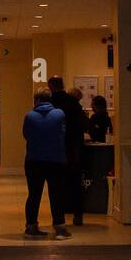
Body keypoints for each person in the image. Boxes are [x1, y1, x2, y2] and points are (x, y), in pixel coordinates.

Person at [22, 88, 71, 240]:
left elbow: (26, 135)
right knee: (57, 194)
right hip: (56, 160)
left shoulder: (29, 116)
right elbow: (64, 133)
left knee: (34, 195)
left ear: (36, 100)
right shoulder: (60, 114)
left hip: (34, 160)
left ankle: (31, 226)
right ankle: (60, 228)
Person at [48, 76, 88, 226]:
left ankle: (58, 218)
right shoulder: (73, 102)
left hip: (55, 149)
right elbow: (84, 124)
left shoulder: (50, 102)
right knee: (76, 183)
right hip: (73, 149)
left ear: (50, 86)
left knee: (56, 185)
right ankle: (78, 214)